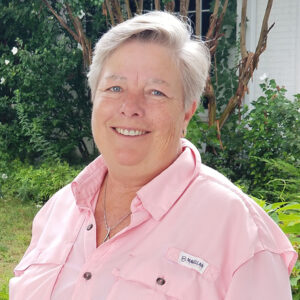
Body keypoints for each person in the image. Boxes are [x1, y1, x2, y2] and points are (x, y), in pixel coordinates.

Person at [10, 11, 297, 300]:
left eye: (156, 92)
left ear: (187, 111)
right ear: (94, 97)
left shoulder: (244, 237)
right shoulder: (59, 210)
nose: (130, 107)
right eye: (115, 88)